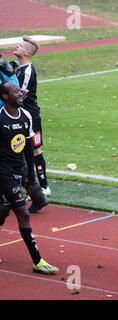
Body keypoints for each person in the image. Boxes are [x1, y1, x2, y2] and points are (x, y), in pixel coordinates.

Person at [0, 81, 58, 275]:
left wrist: (30, 180)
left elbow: (28, 149)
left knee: (3, 213)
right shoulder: (0, 118)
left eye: (20, 90)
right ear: (5, 97)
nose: (20, 93)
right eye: (15, 91)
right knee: (23, 213)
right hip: (3, 172)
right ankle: (37, 261)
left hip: (19, 169)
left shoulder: (26, 116)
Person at [13, 36, 51, 203]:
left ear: (27, 52)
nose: (17, 46)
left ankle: (43, 187)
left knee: (35, 149)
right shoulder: (16, 68)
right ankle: (28, 185)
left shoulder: (28, 70)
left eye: (20, 45)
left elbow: (20, 95)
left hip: (30, 116)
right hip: (19, 114)